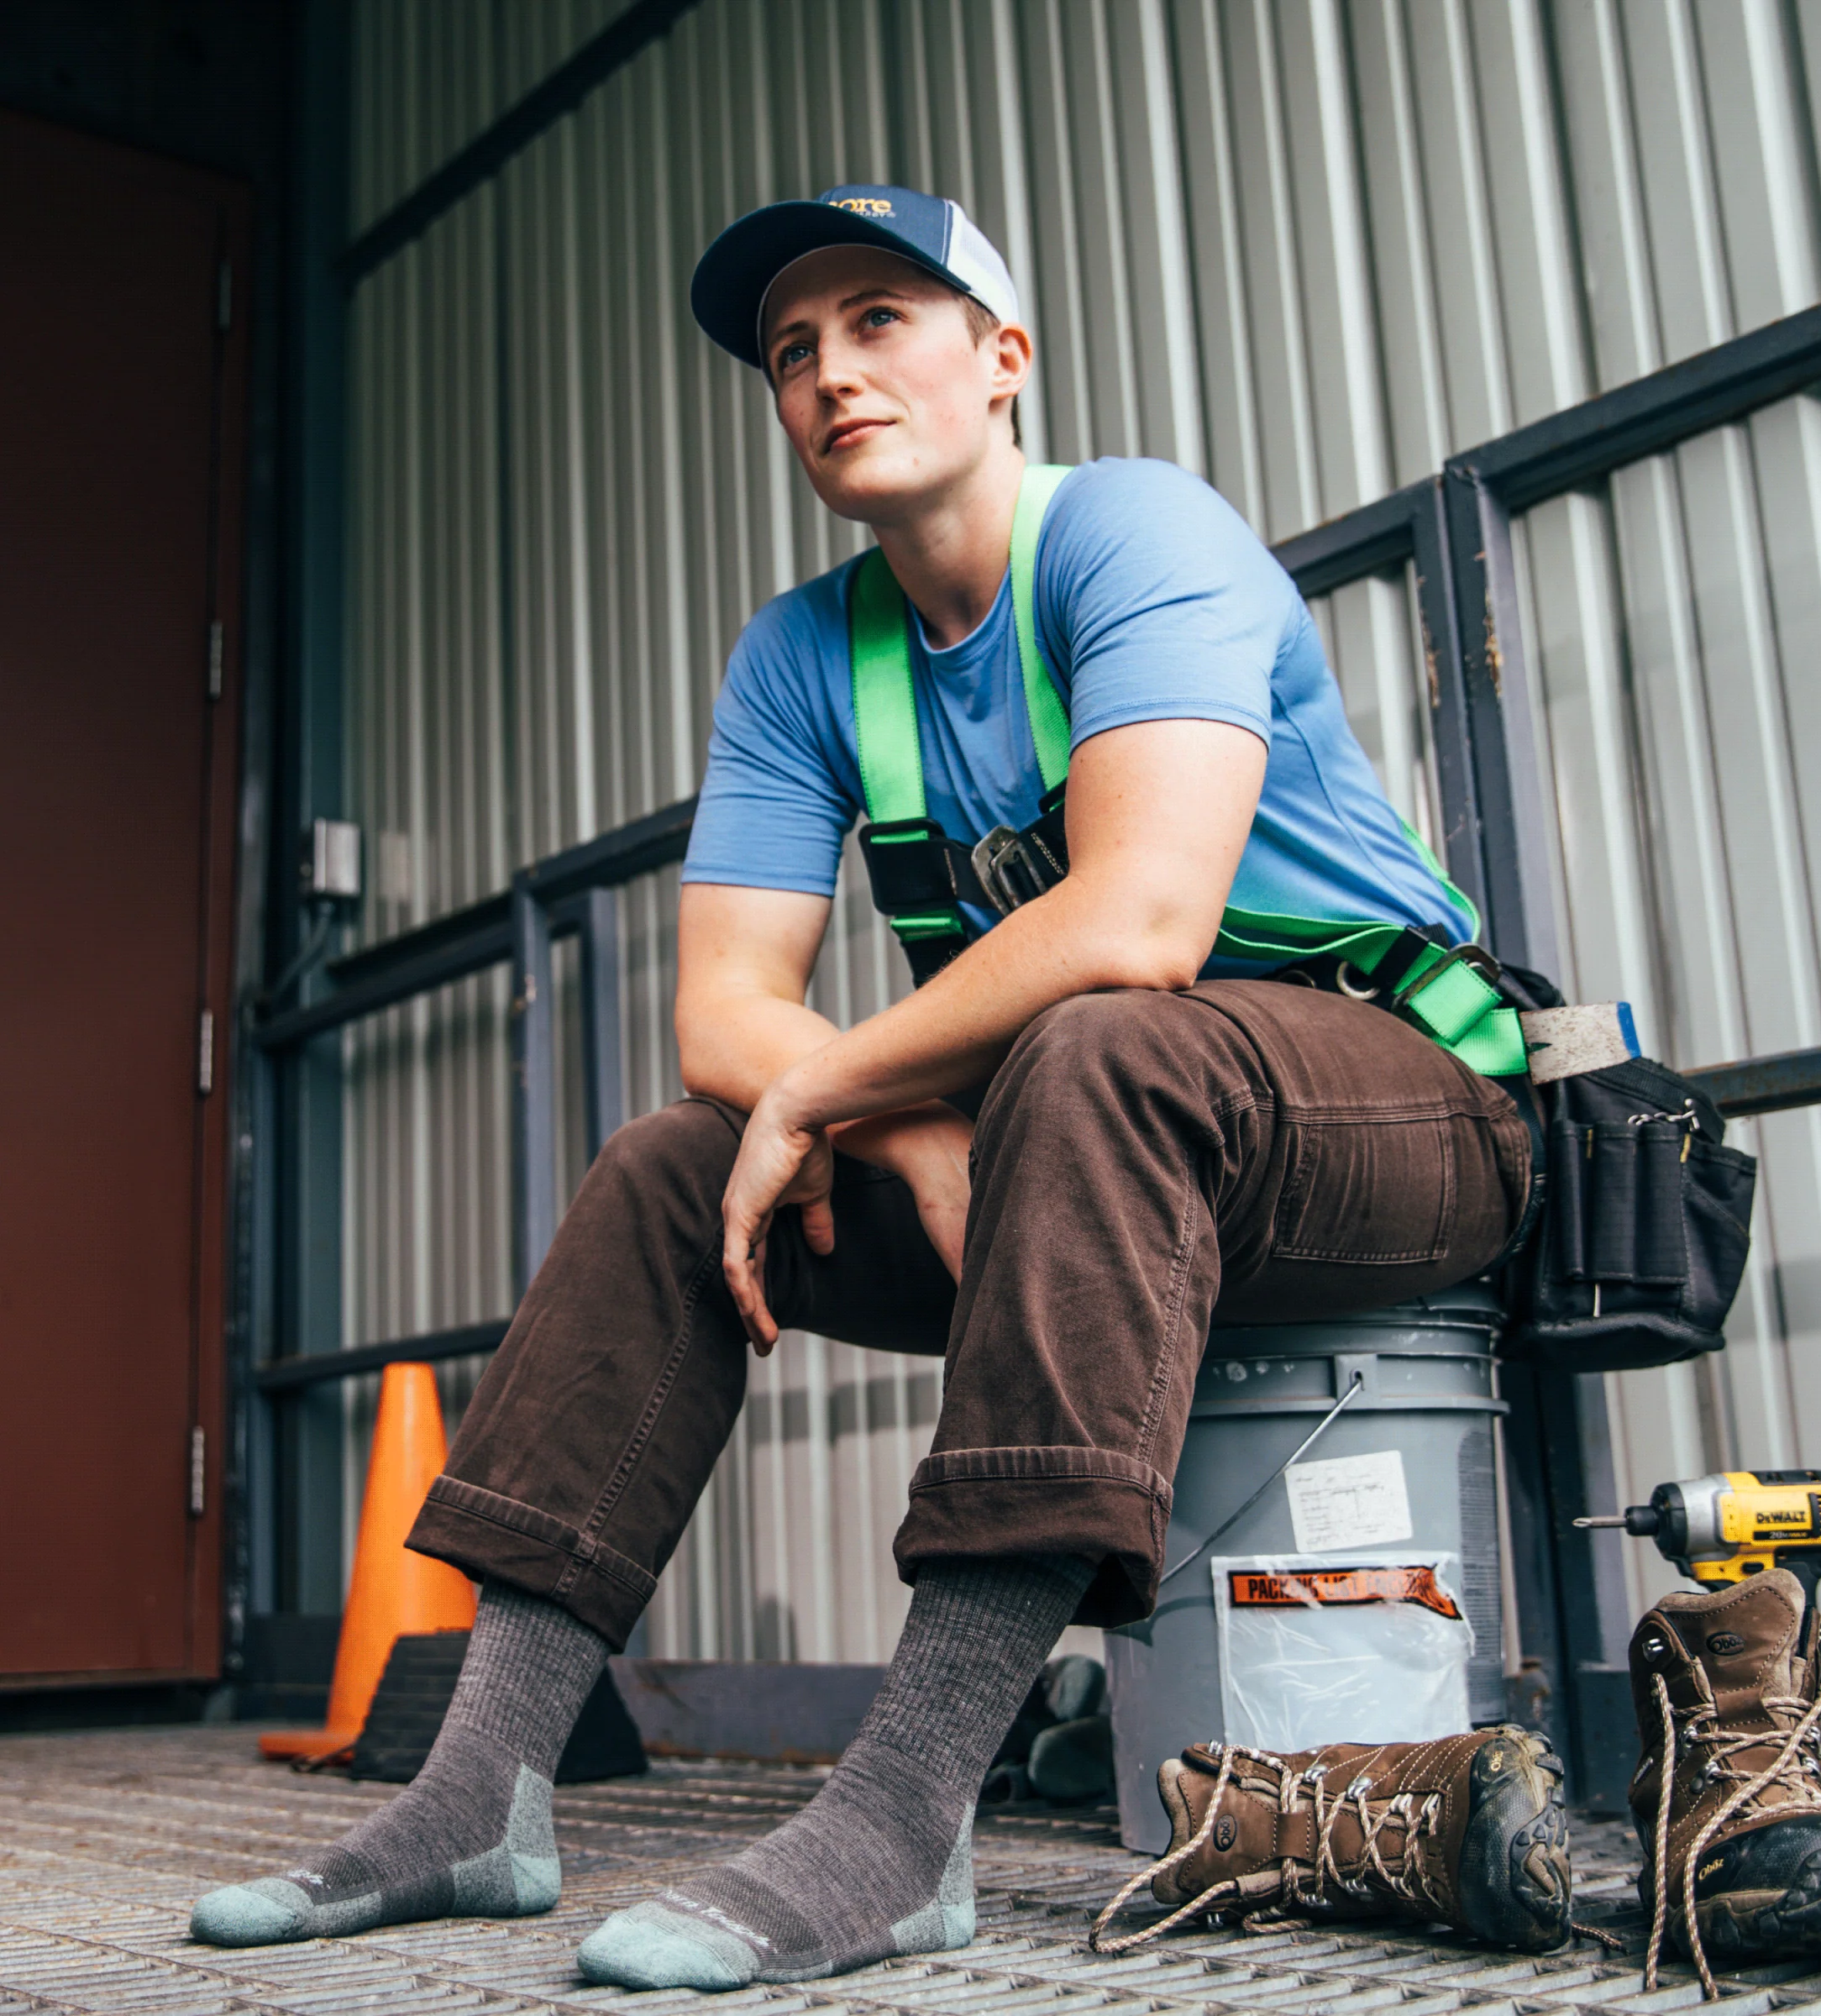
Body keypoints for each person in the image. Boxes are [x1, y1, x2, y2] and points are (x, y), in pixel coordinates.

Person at [192, 185, 1531, 1987]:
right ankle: (475, 1794)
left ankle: (904, 1817)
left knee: (1097, 1043)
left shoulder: (1136, 533)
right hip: (1085, 1155)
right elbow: (722, 1014)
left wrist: (828, 1090)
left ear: (1004, 358)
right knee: (677, 1166)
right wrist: (890, 1116)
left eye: (881, 320)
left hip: (1403, 1119)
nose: (830, 373)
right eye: (792, 352)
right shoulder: (803, 654)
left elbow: (1139, 922)